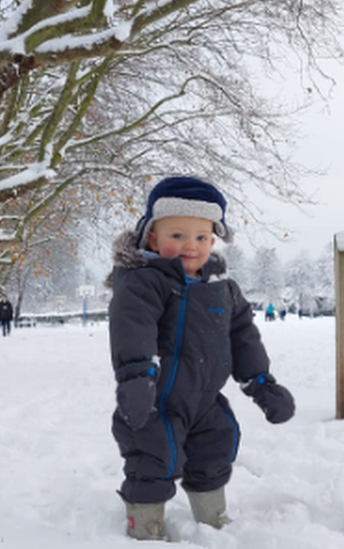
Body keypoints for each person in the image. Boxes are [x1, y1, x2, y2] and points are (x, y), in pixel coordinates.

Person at [107, 176, 294, 540]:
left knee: (215, 450)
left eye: (202, 237)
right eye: (177, 236)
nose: (191, 246)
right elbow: (133, 326)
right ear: (152, 237)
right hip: (156, 397)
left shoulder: (223, 288)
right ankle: (144, 525)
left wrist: (261, 383)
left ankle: (212, 520)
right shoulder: (145, 282)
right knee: (152, 457)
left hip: (206, 399)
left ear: (213, 239)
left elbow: (243, 336)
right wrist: (135, 376)